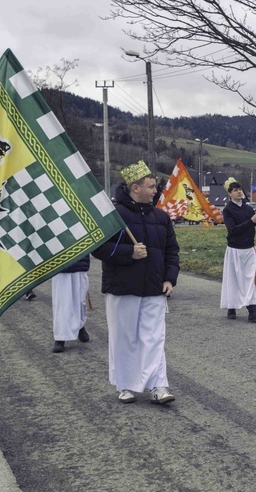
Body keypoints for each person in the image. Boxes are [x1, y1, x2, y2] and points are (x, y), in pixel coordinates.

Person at [92, 160, 180, 405]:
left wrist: (170, 279)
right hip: (123, 288)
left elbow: (171, 251)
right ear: (135, 187)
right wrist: (128, 253)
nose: (155, 191)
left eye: (155, 187)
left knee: (154, 338)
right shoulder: (114, 216)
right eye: (151, 187)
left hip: (154, 288)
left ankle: (158, 385)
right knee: (124, 337)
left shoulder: (162, 218)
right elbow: (99, 248)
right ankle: (125, 385)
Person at [219, 178, 256, 322]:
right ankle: (231, 307)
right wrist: (250, 222)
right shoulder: (228, 210)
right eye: (235, 190)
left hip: (249, 249)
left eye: (240, 189)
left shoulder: (247, 209)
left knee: (249, 280)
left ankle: (252, 312)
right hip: (235, 249)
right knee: (233, 279)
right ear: (230, 194)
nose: (239, 192)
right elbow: (232, 230)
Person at [50, 255, 91, 353]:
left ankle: (80, 326)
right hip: (60, 262)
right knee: (62, 302)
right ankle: (60, 336)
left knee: (81, 300)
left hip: (80, 260)